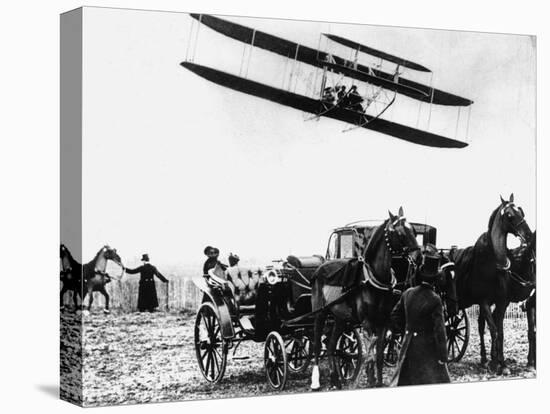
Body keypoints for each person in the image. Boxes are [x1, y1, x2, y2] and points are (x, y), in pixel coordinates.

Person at [389, 251, 450, 386]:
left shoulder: (408, 293)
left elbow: (394, 315)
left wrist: (406, 330)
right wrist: (443, 356)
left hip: (407, 346)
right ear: (435, 279)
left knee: (404, 382)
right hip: (427, 351)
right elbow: (440, 330)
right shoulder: (435, 299)